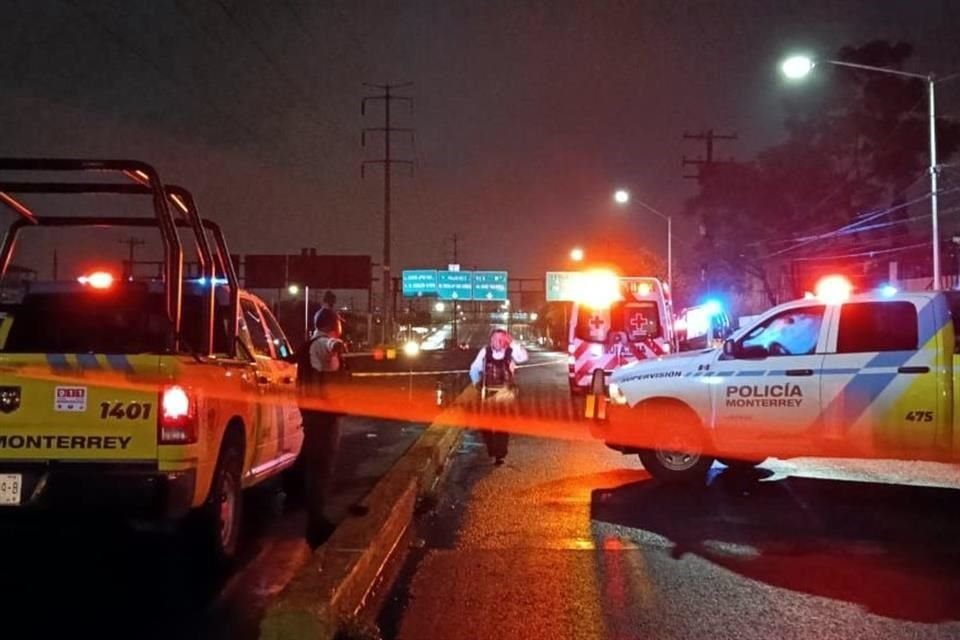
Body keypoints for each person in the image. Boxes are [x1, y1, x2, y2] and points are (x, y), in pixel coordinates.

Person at [296, 307, 347, 546]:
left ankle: (316, 519)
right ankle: (316, 525)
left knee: (318, 467)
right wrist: (338, 346)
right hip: (322, 415)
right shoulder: (322, 343)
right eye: (339, 323)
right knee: (321, 469)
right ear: (332, 325)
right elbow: (329, 346)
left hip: (317, 413)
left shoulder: (312, 344)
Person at [469, 328, 528, 464]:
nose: (498, 341)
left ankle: (500, 454)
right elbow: (474, 369)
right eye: (495, 338)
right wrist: (476, 383)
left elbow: (523, 357)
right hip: (488, 393)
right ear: (491, 340)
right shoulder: (485, 352)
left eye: (501, 339)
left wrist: (513, 343)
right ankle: (492, 448)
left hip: (505, 393)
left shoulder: (511, 352)